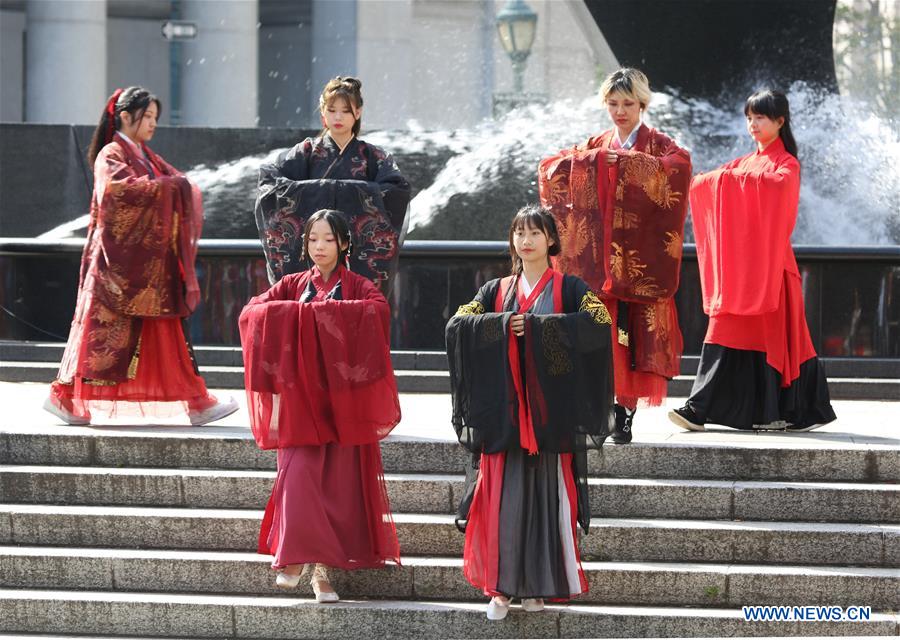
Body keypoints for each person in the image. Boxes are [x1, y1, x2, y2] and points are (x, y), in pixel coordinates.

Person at [446, 205, 614, 621]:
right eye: (519, 232)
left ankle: (538, 585)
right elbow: (456, 324)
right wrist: (503, 323)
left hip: (549, 417)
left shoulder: (571, 287)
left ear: (551, 241)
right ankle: (501, 589)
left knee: (546, 501)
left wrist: (541, 328)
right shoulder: (495, 290)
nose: (526, 240)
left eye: (535, 233)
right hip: (504, 415)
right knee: (501, 500)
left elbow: (601, 322)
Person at [44, 86, 237, 426]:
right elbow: (118, 194)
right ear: (124, 116)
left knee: (164, 332)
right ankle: (68, 399)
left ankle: (196, 401)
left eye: (154, 118)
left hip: (145, 265)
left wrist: (175, 186)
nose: (152, 124)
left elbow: (169, 182)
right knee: (100, 336)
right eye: (146, 116)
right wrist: (171, 188)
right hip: (113, 266)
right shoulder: (111, 154)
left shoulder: (145, 155)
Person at [240, 209, 401, 601]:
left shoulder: (360, 286)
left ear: (344, 244)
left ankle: (321, 575)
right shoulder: (293, 285)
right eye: (313, 239)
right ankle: (294, 557)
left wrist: (320, 315)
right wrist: (298, 314)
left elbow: (378, 312)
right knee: (299, 476)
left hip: (343, 404)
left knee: (337, 488)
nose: (319, 247)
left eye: (328, 239)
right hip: (300, 403)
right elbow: (251, 312)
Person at [538, 68, 691, 444]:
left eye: (627, 103)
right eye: (613, 103)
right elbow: (552, 166)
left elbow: (680, 168)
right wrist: (591, 162)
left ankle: (625, 410)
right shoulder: (597, 142)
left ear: (642, 104)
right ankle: (603, 406)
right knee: (601, 334)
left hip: (636, 260)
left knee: (631, 335)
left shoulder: (659, 145)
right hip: (599, 260)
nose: (620, 111)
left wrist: (623, 166)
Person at [670, 90, 836, 432]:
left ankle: (701, 410)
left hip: (771, 272)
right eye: (749, 117)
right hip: (744, 272)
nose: (753, 124)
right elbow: (704, 184)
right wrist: (711, 180)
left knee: (765, 340)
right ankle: (701, 409)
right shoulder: (744, 163)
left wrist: (729, 182)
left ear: (780, 121)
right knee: (725, 329)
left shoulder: (786, 164)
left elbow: (777, 190)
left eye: (760, 117)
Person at [254, 76, 410, 291]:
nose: (338, 116)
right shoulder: (306, 152)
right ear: (323, 114)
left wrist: (333, 190)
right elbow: (270, 182)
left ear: (358, 113)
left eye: (345, 111)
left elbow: (397, 190)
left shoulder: (373, 156)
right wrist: (335, 191)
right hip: (314, 252)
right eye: (331, 110)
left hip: (357, 257)